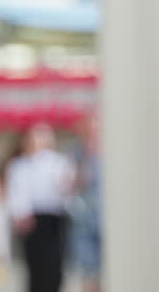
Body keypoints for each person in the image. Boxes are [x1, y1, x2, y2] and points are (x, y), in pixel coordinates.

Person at [6, 124, 74, 292]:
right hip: (31, 219)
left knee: (54, 264)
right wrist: (19, 215)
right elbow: (16, 193)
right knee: (35, 265)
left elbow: (64, 189)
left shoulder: (58, 161)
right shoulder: (19, 165)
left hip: (53, 217)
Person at [69, 115, 103, 292]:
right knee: (88, 270)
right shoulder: (76, 153)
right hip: (84, 217)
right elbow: (70, 184)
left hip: (104, 218)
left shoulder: (109, 151)